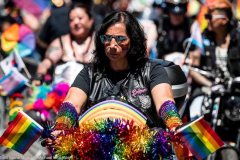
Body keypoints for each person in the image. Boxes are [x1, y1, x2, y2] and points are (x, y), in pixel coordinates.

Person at [52, 11, 183, 135]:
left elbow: (164, 101)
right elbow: (72, 103)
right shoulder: (90, 73)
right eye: (107, 38)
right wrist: (61, 126)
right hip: (95, 150)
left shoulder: (153, 70)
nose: (113, 45)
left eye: (121, 39)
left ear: (133, 40)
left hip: (145, 150)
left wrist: (174, 124)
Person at [189, 0, 240, 120]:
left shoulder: (238, 38)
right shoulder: (202, 37)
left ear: (224, 19)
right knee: (194, 115)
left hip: (235, 93)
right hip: (206, 91)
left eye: (209, 17)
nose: (206, 20)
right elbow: (193, 69)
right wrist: (212, 85)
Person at [32, 3, 95, 86]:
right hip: (62, 95)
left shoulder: (99, 42)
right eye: (71, 20)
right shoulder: (61, 42)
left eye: (80, 18)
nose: (76, 22)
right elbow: (47, 61)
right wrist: (39, 75)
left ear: (91, 20)